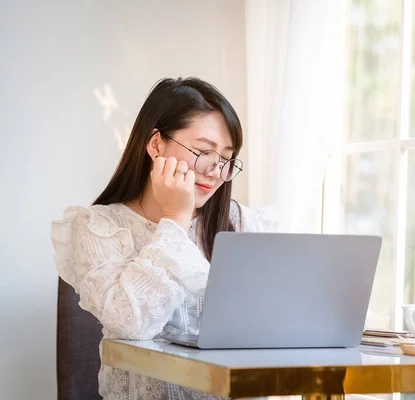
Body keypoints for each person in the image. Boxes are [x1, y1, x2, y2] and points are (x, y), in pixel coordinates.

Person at [51, 77, 266, 399]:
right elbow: (130, 323)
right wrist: (175, 220)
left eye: (226, 159)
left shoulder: (242, 222)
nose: (215, 170)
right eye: (204, 152)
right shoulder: (98, 226)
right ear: (155, 145)